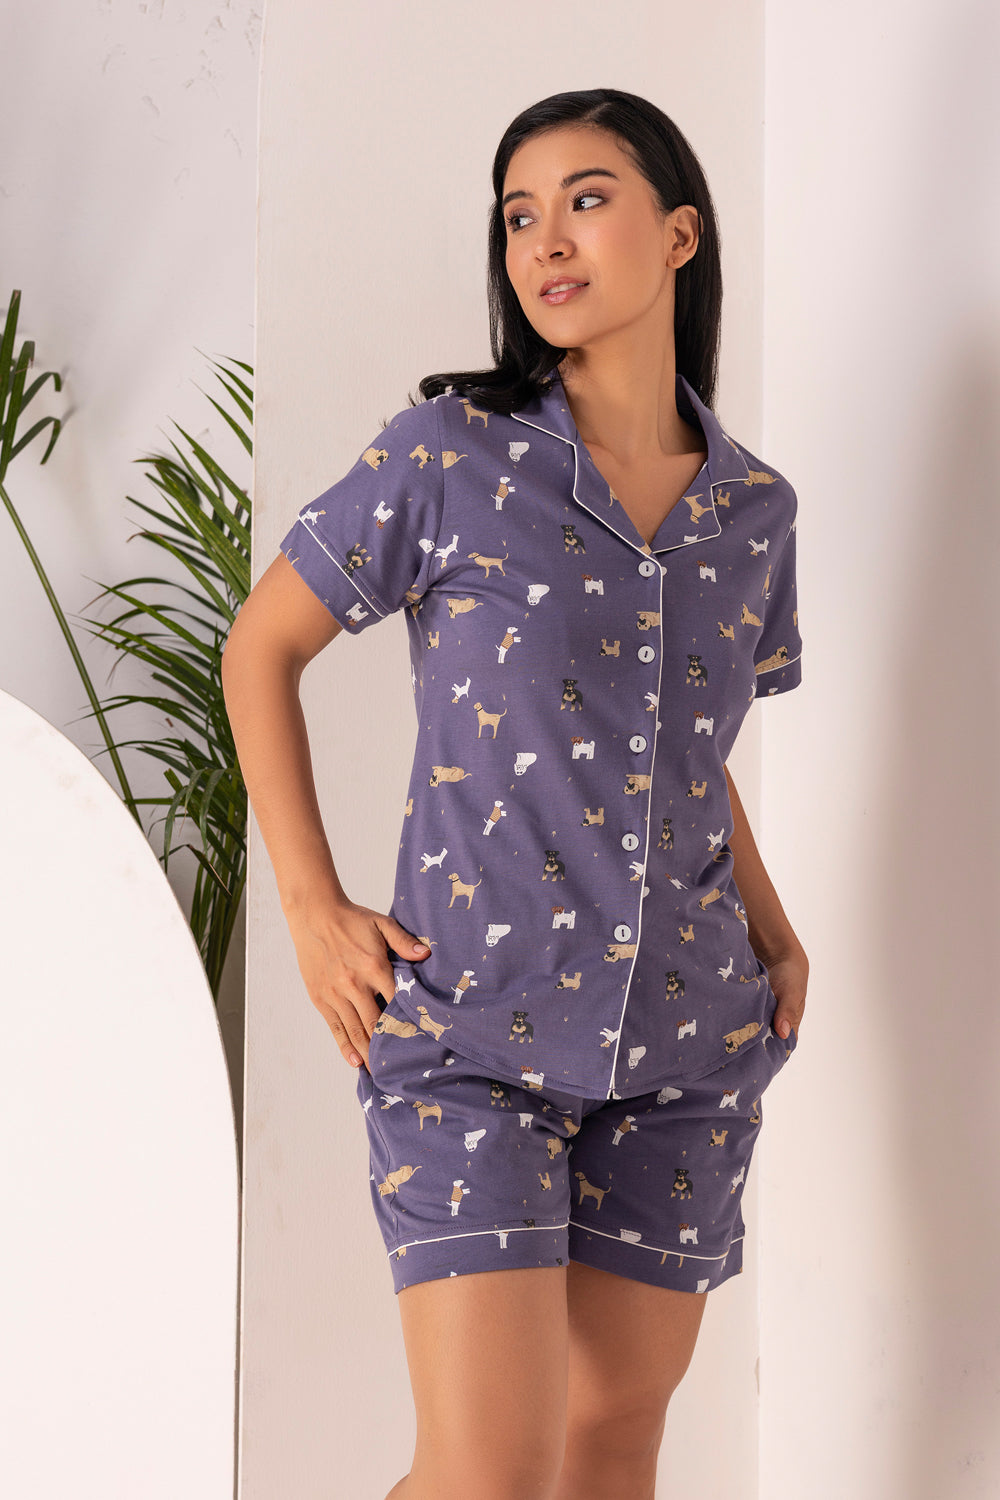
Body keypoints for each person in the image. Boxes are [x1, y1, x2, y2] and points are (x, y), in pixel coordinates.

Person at [223, 86, 809, 1500]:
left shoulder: (754, 512)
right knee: (487, 1473)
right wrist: (308, 907)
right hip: (471, 1030)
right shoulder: (449, 454)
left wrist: (776, 929)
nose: (545, 239)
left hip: (686, 1037)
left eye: (586, 200)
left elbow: (681, 747)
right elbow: (261, 647)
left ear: (680, 234)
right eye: (518, 214)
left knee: (610, 1447)